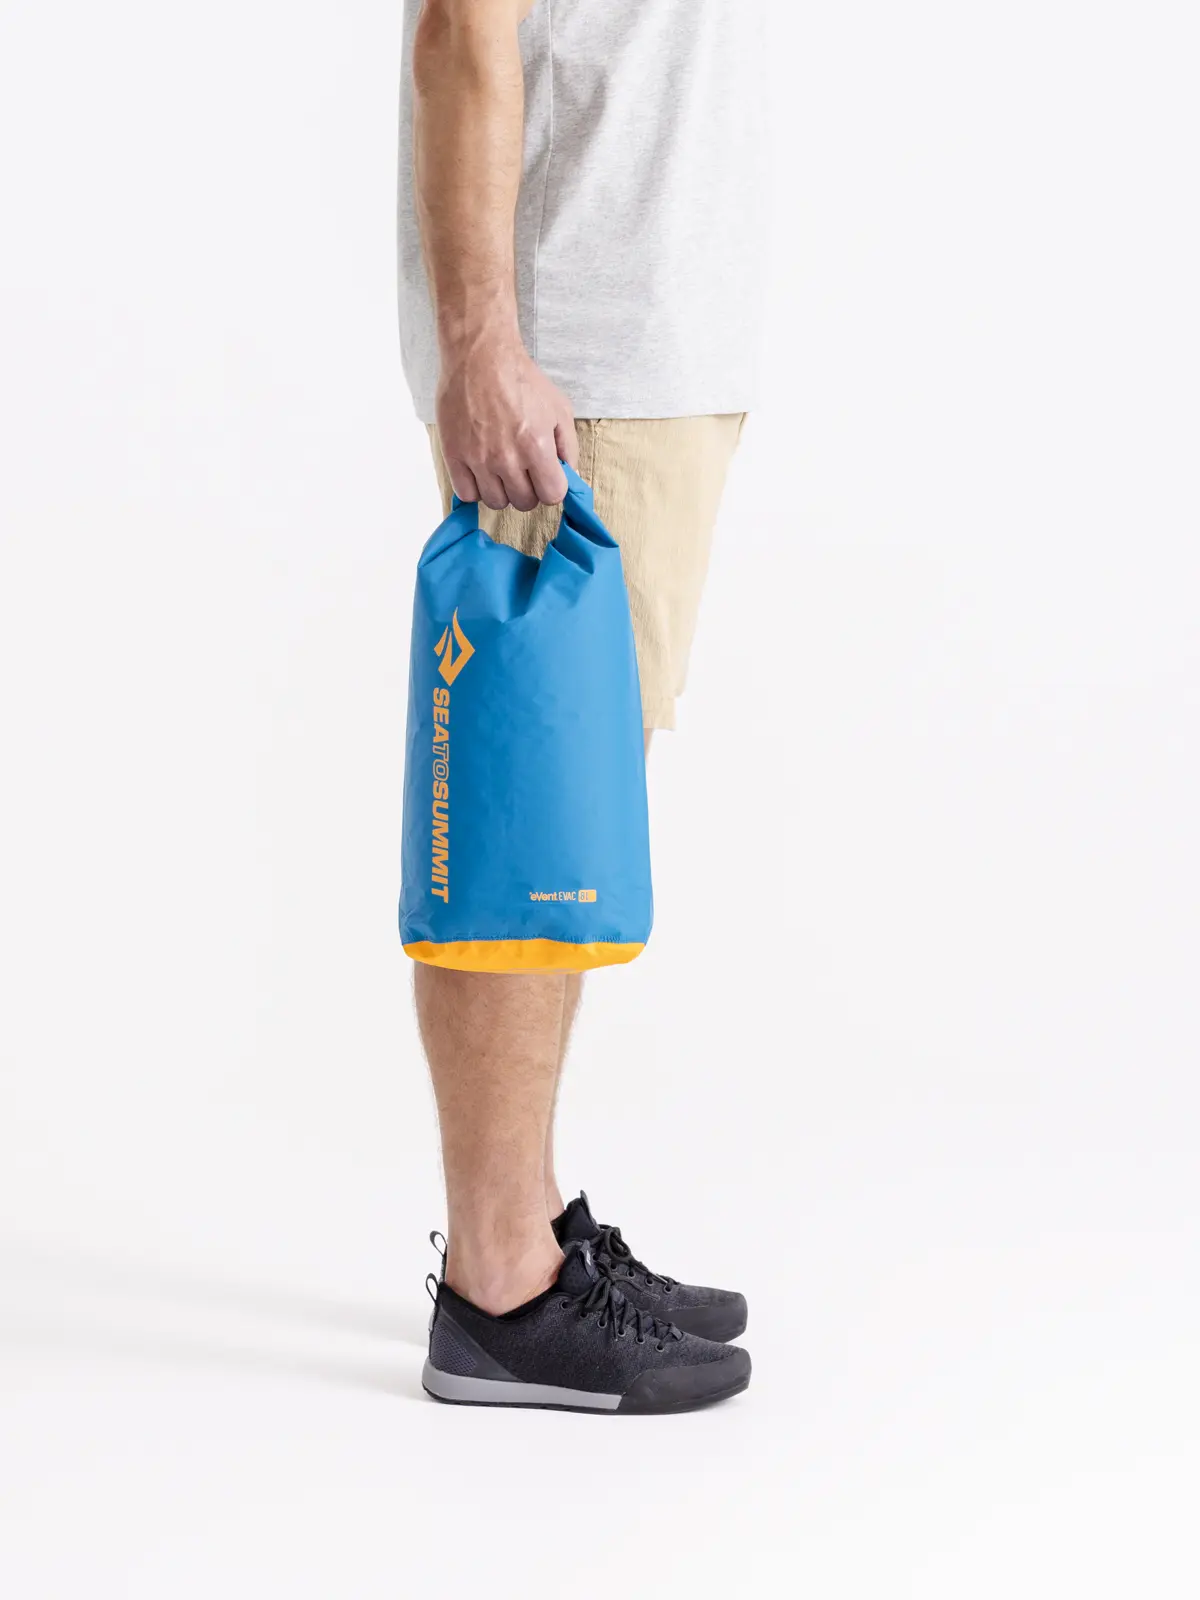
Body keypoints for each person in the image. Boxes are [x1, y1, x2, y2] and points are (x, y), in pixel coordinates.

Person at [398, 0, 762, 1413]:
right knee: (525, 823)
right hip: (574, 365)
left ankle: (532, 1233)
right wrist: (484, 341)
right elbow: (461, 28)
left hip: (636, 351)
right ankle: (501, 1288)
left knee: (566, 818)